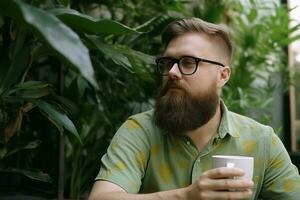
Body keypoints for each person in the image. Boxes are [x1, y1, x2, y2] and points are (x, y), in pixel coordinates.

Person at [88, 17, 300, 200]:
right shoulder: (140, 131)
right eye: (167, 62)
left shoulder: (261, 141)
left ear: (223, 76)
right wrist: (185, 196)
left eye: (188, 62)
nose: (172, 72)